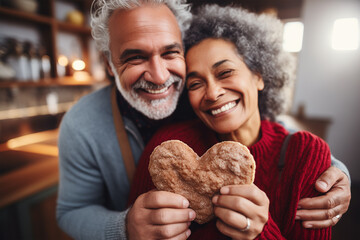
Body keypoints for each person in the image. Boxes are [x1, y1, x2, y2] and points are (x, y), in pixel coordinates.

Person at [56, 1, 350, 239]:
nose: (159, 76)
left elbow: (270, 130)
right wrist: (124, 229)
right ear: (109, 64)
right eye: (135, 57)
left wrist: (332, 169)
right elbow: (71, 211)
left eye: (170, 52)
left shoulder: (190, 90)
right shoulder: (82, 125)